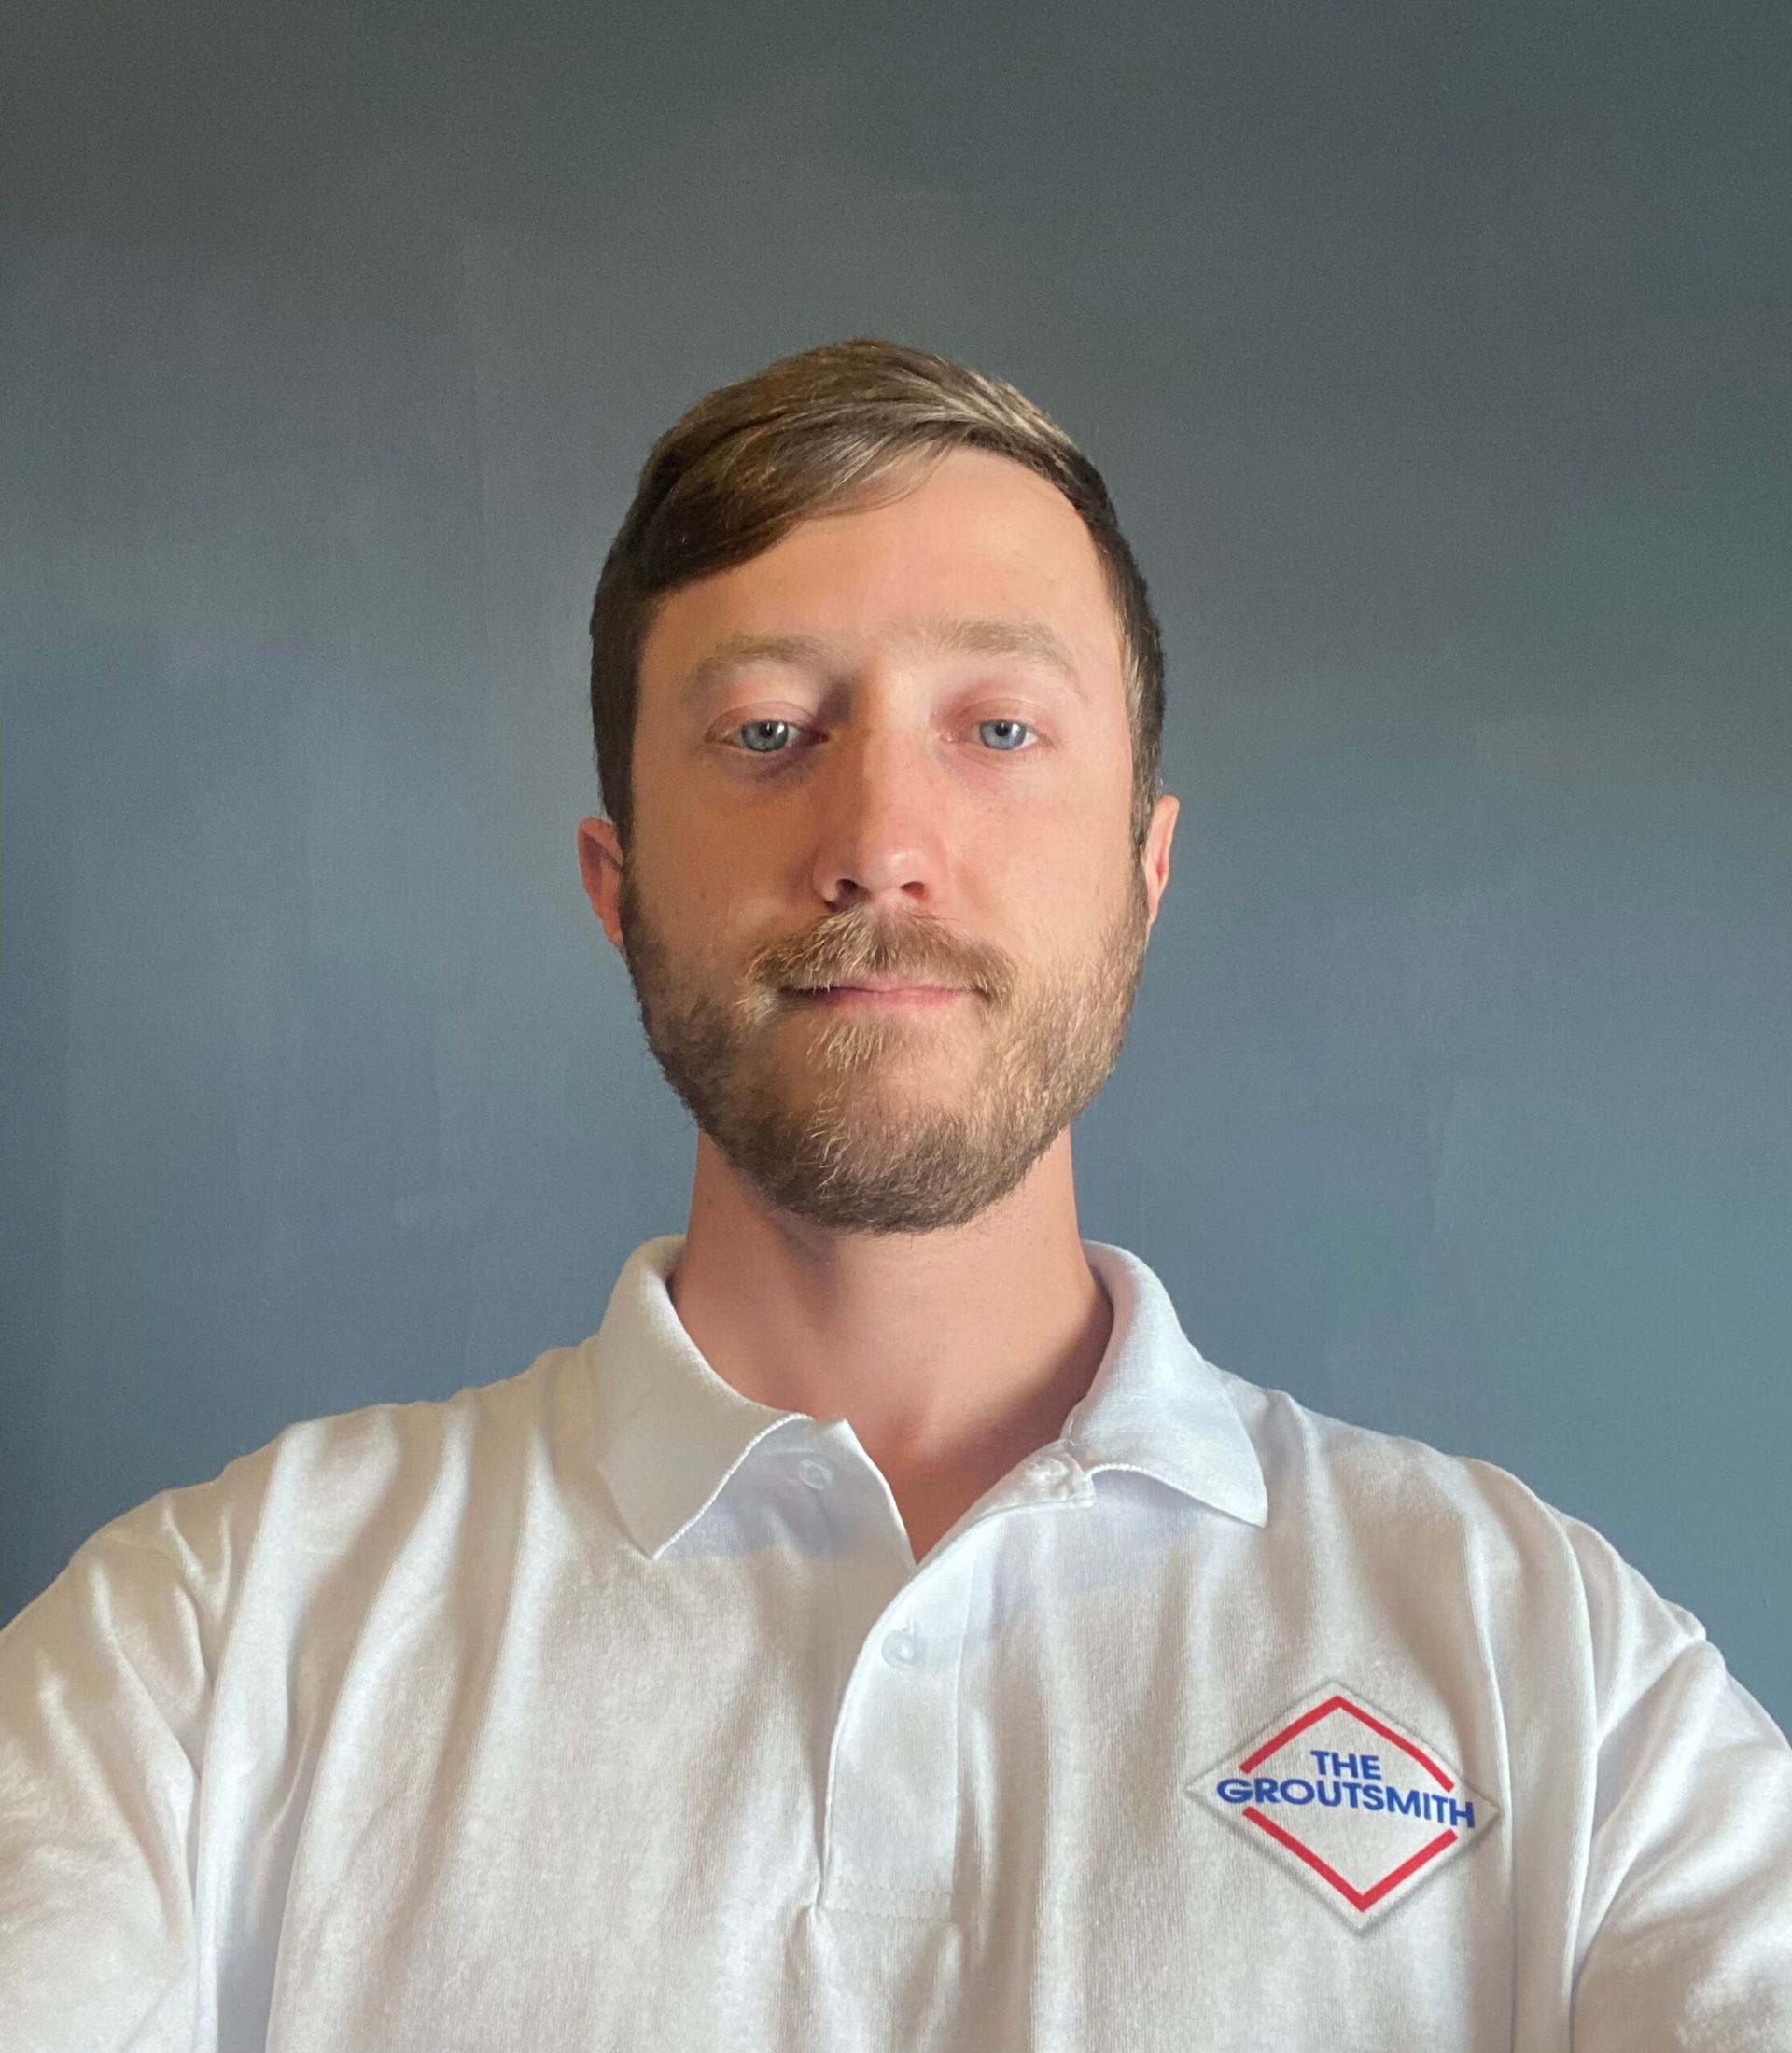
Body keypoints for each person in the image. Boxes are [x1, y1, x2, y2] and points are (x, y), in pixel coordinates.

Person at [1, 339, 1787, 2050]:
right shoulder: (207, 1651)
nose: (879, 835)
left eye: (999, 729)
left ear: (1145, 872)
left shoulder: (1554, 1671)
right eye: (769, 730)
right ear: (616, 885)